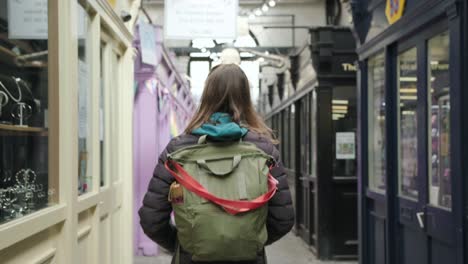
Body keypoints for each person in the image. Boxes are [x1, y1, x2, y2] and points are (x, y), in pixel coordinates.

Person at [138, 64, 294, 264]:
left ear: (206, 96)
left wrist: (187, 244)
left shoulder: (176, 151)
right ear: (246, 98)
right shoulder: (265, 151)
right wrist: (246, 243)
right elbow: (283, 219)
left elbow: (151, 219)